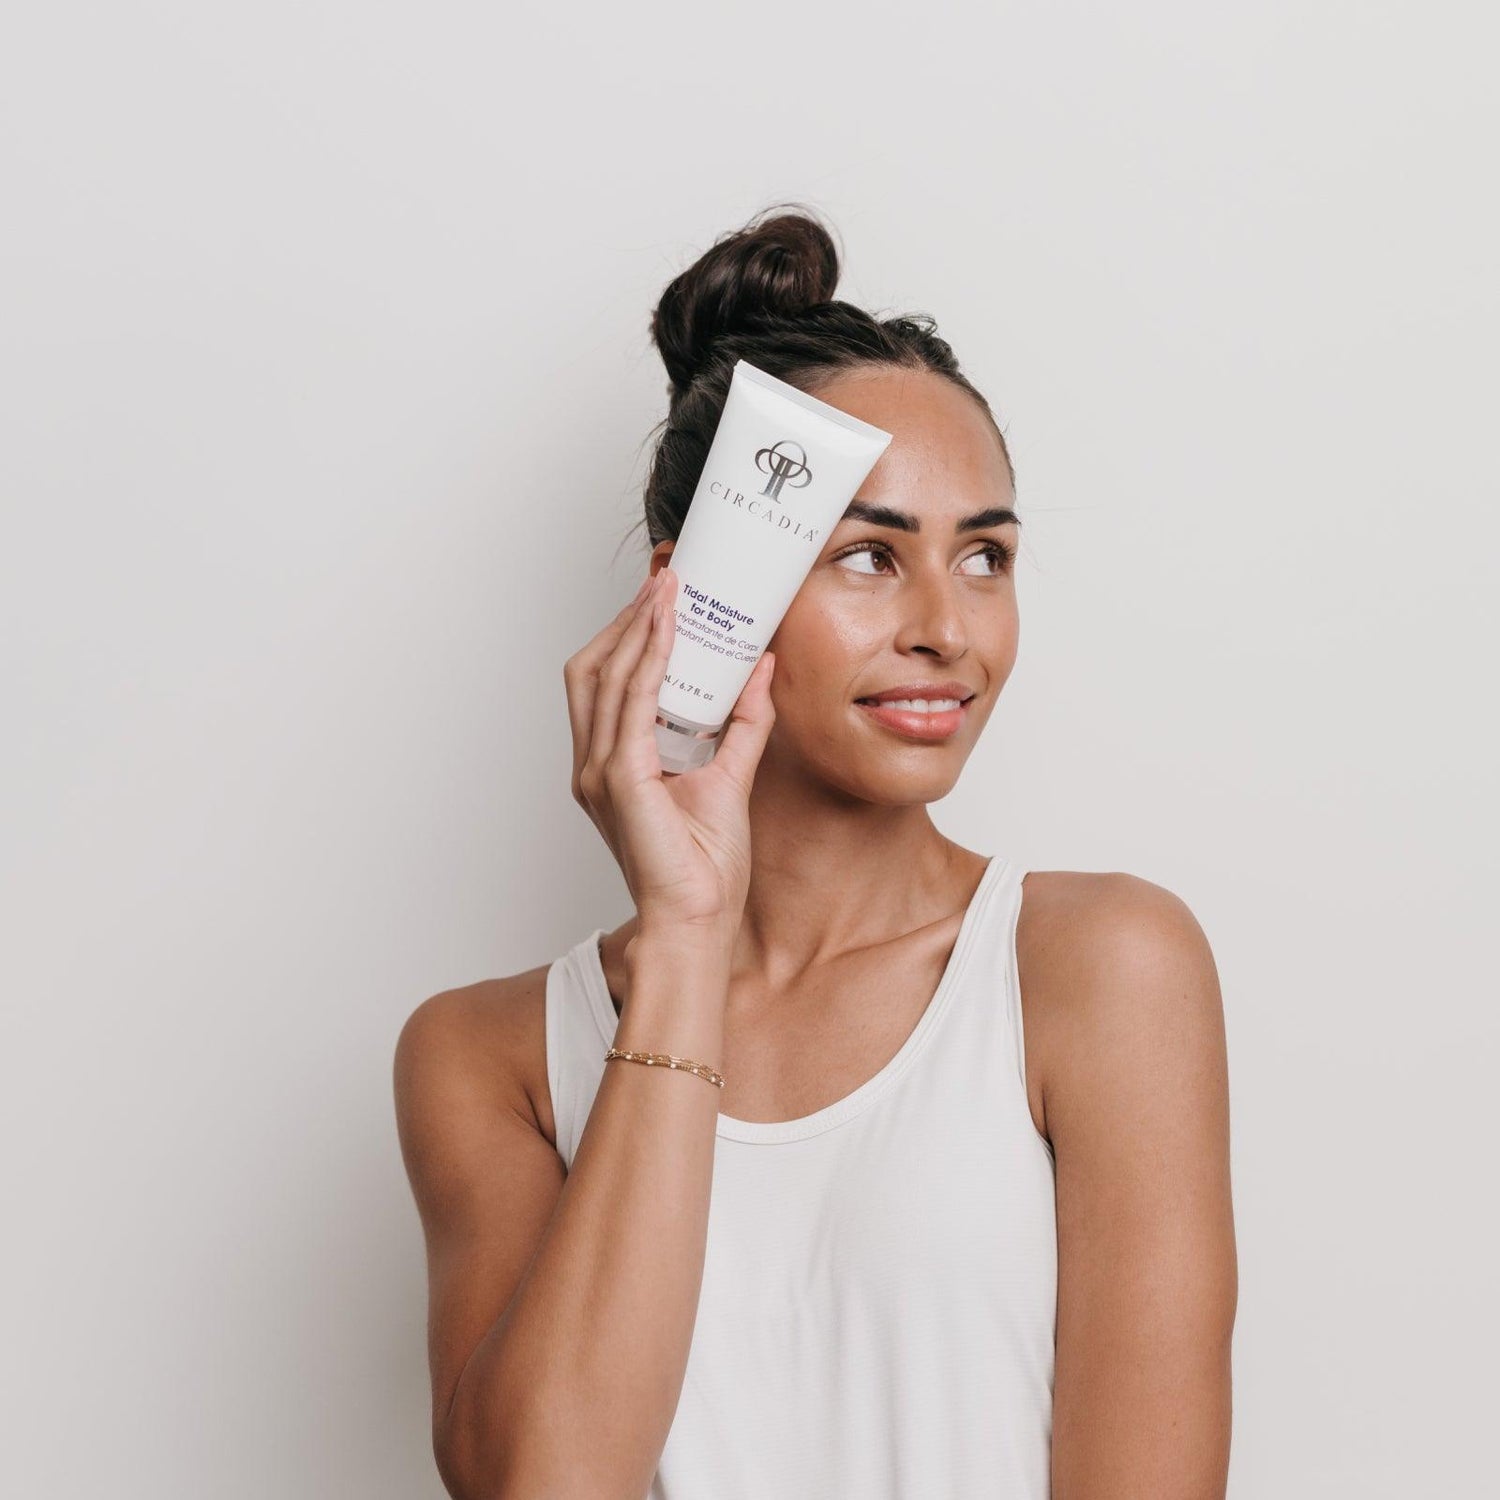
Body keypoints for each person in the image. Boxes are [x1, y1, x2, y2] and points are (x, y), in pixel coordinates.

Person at [393, 204, 1238, 1500]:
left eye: (985, 556)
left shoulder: (1101, 971)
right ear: (696, 598)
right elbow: (544, 1483)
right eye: (868, 555)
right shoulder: (489, 1060)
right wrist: (685, 938)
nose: (948, 627)